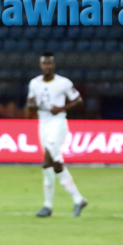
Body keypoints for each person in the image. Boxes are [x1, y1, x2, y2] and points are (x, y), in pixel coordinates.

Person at [26, 53, 87, 217]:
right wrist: (31, 105)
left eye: (49, 63)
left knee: (48, 161)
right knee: (52, 165)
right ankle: (77, 200)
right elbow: (30, 103)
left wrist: (61, 108)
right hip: (43, 124)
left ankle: (50, 205)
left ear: (54, 65)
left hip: (58, 123)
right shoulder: (34, 83)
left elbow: (78, 100)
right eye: (44, 64)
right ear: (40, 65)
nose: (47, 67)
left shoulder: (63, 83)